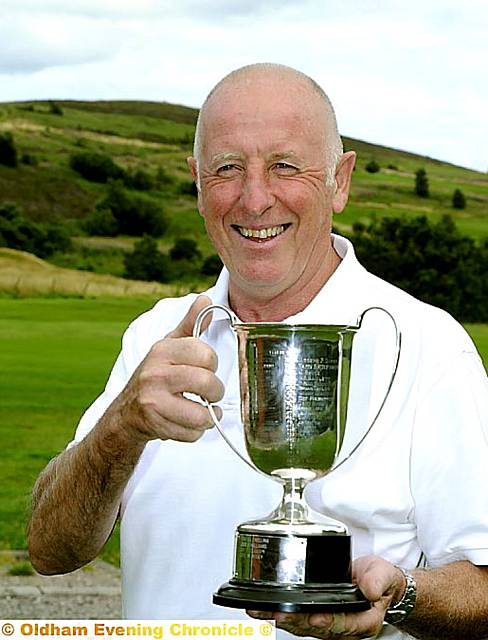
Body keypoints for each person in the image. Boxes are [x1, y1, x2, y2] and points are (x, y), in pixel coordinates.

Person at [28, 63, 488, 640]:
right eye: (227, 169)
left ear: (339, 181)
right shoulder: (155, 335)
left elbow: (485, 589)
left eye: (284, 166)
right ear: (197, 183)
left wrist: (403, 595)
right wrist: (119, 429)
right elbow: (50, 550)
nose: (254, 199)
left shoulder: (428, 346)